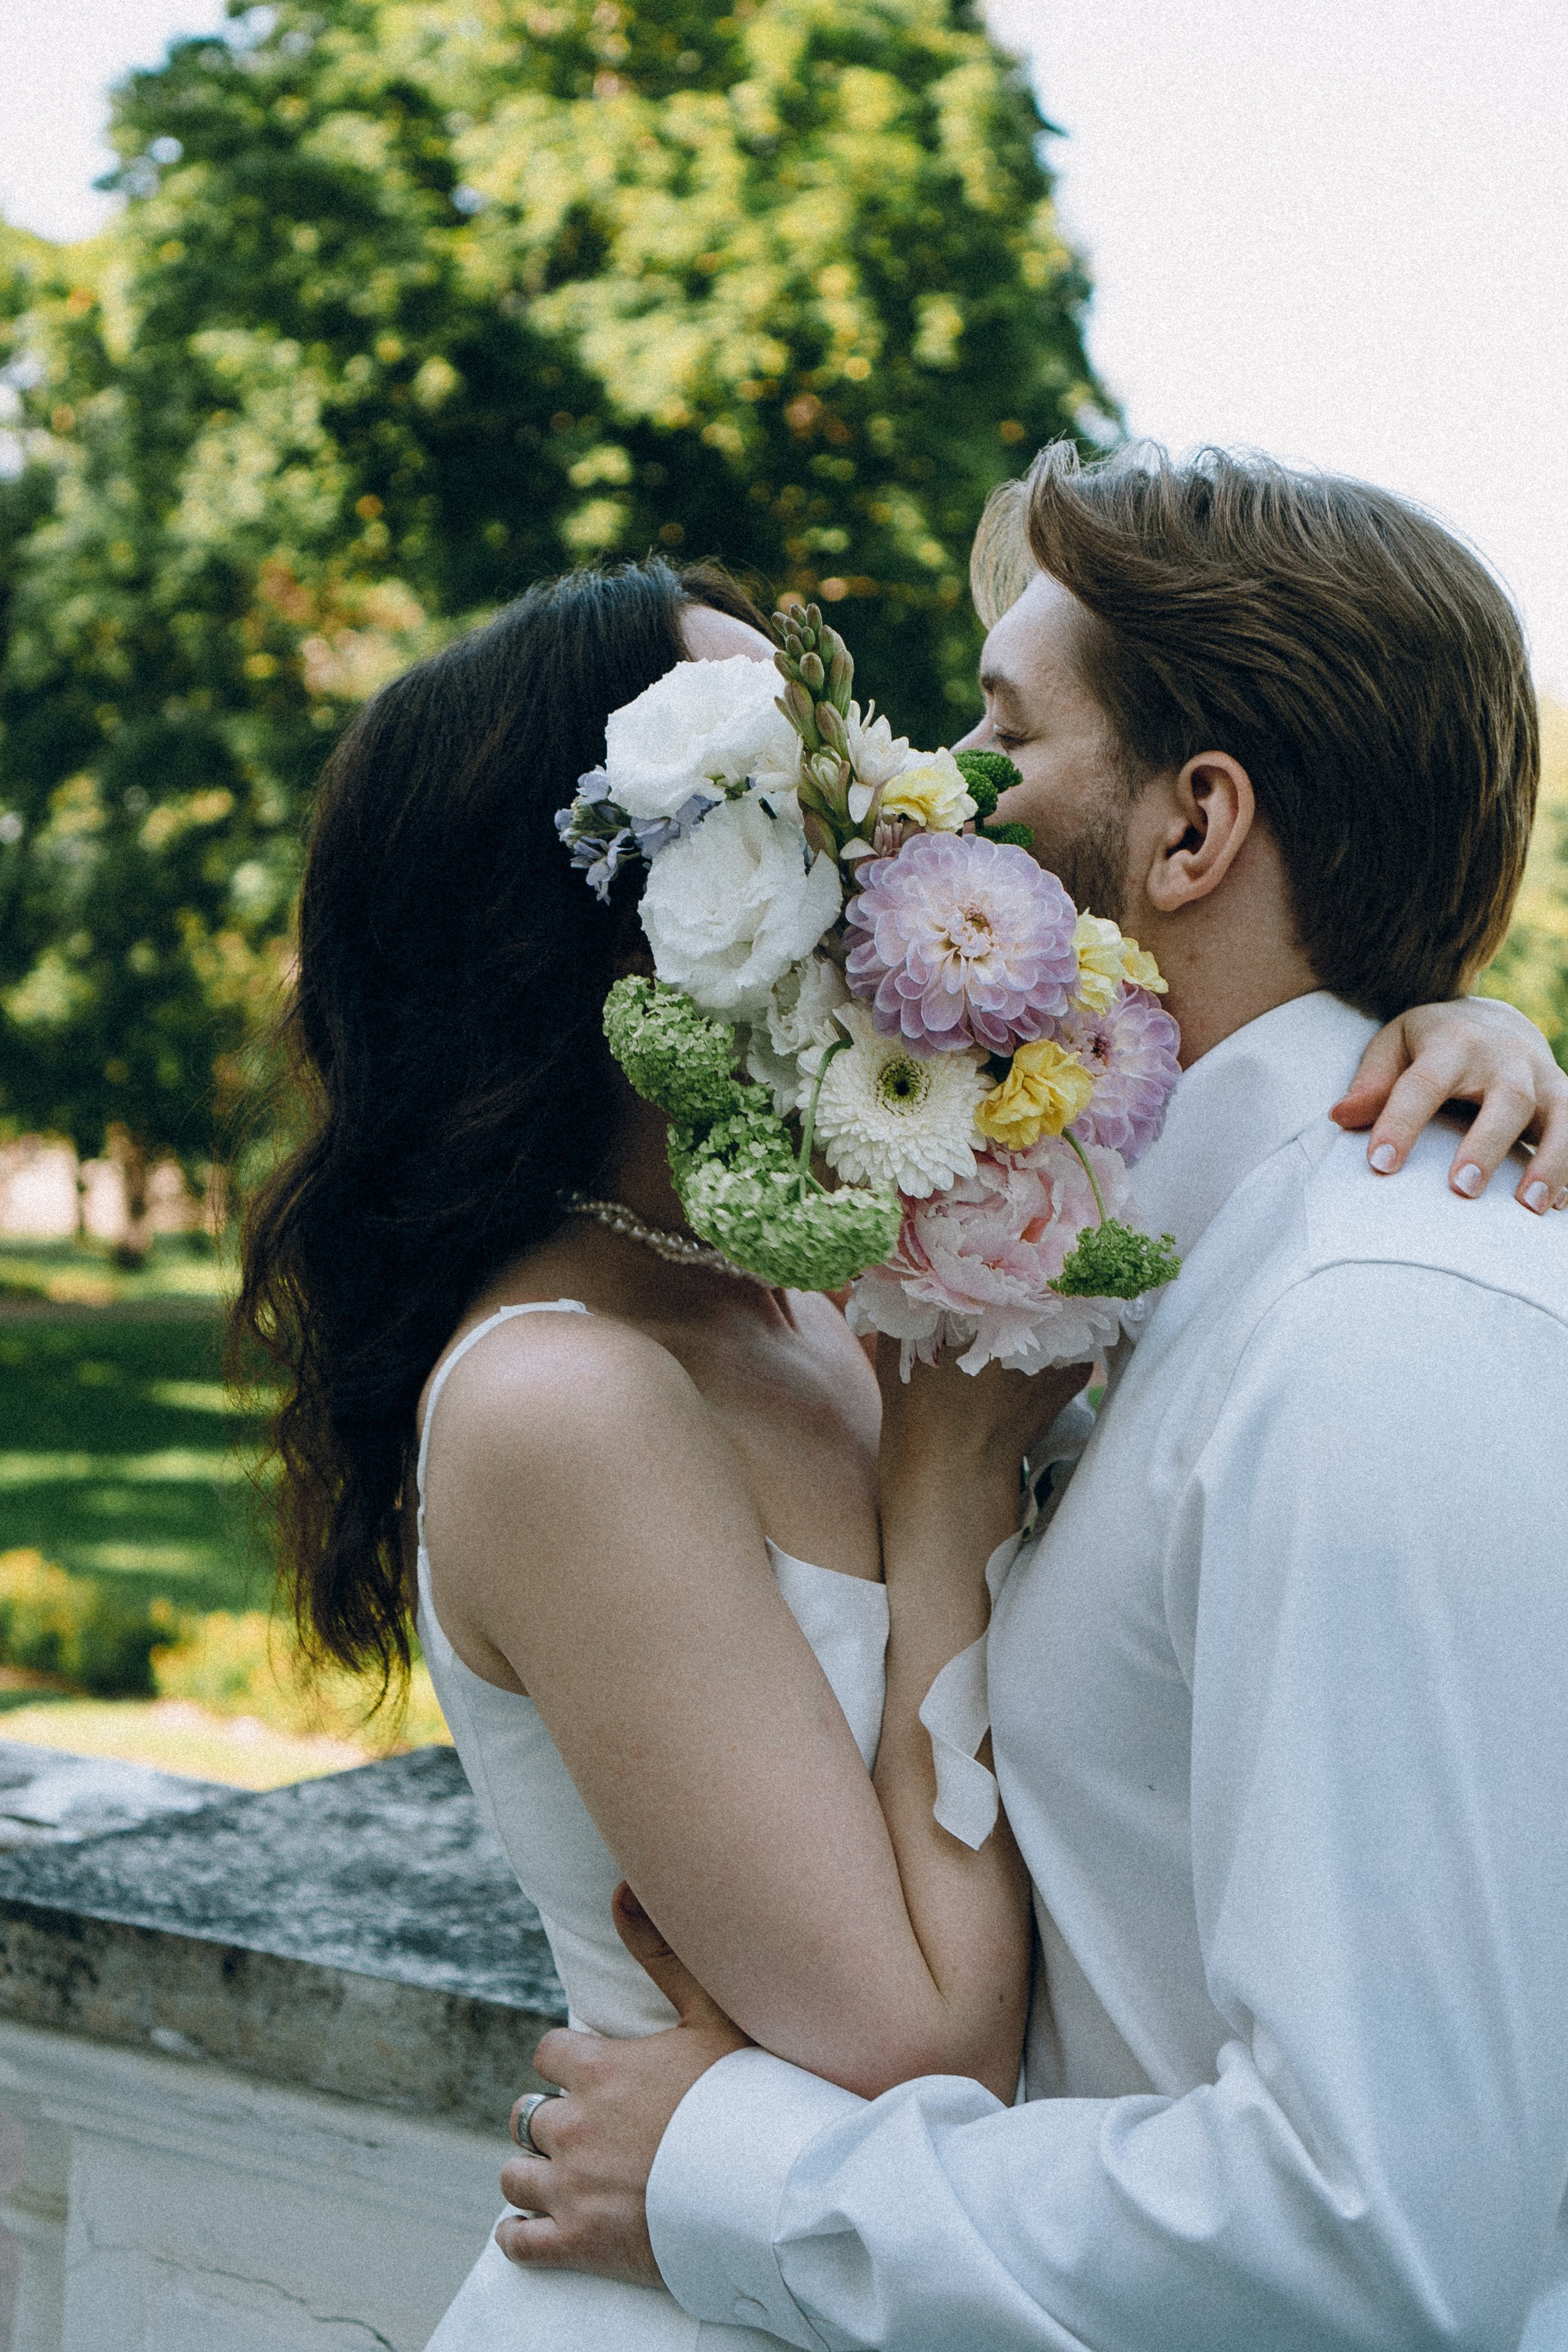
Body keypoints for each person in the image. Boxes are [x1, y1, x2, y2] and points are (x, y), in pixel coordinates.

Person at [233, 543, 1562, 2352]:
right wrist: (942, 1508)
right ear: (614, 901)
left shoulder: (823, 1284)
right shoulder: (571, 1395)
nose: (894, 829)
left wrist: (1452, 1021)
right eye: (791, 793)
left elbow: (1219, 1195)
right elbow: (913, 2047)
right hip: (700, 2287)